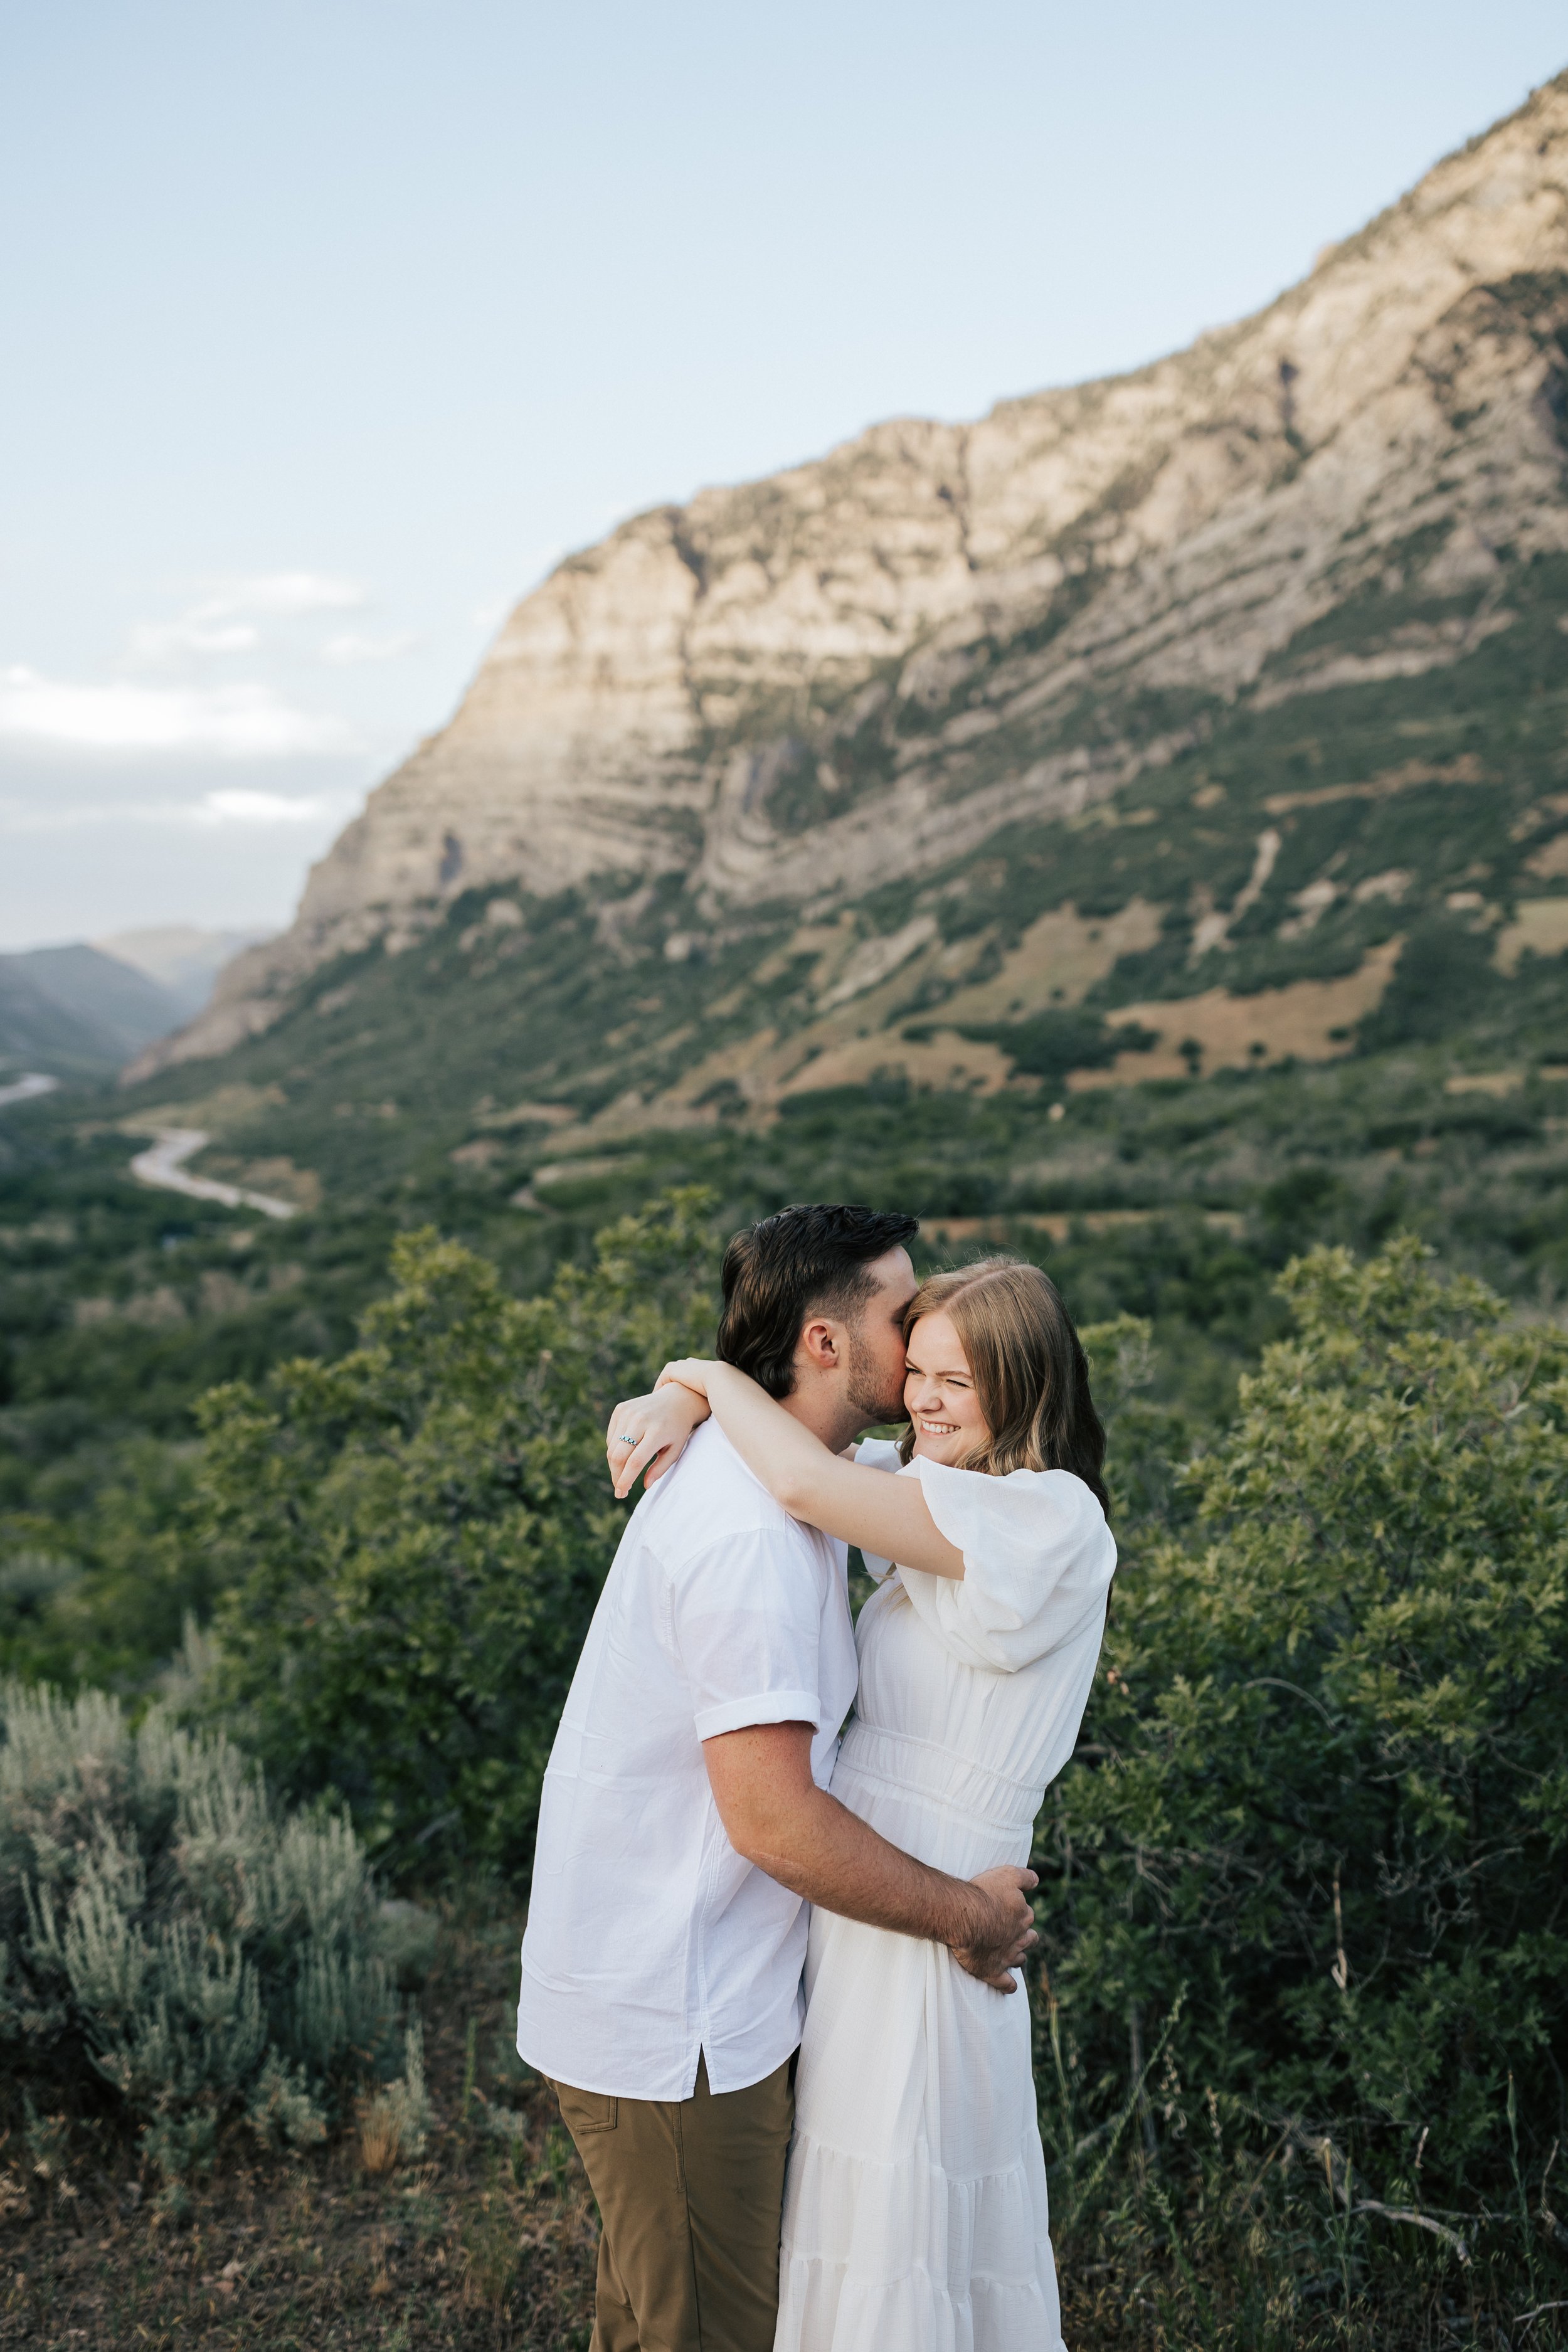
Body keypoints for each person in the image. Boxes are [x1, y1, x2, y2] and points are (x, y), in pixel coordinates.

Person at [516, 1206, 1041, 2352]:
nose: (923, 1337)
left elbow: (820, 1470)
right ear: (824, 1343)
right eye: (904, 1317)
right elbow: (769, 1818)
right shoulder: (749, 1535)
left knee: (651, 2323)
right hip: (674, 2015)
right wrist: (968, 1915)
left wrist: (691, 1381)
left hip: (702, 1996)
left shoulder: (804, 1473)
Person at [611, 1254, 1116, 2352]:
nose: (925, 1400)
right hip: (870, 1892)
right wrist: (681, 1396)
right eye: (920, 1370)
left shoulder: (1049, 1518)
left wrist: (698, 1368)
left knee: (907, 2214)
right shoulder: (940, 1479)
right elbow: (806, 1447)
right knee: (856, 2206)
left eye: (959, 1383)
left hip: (936, 1894)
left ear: (1026, 1387)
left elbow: (798, 1479)